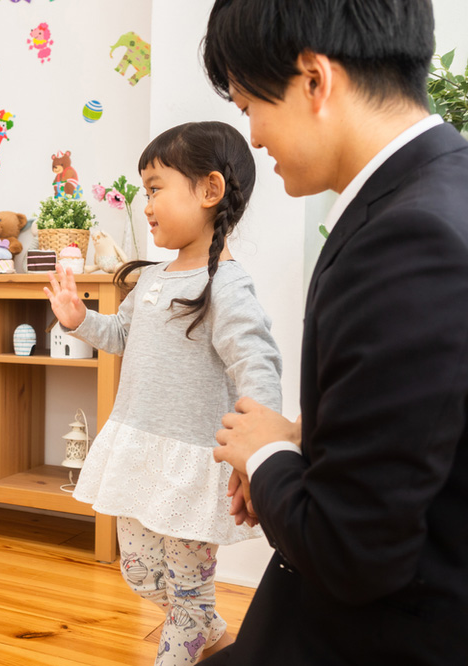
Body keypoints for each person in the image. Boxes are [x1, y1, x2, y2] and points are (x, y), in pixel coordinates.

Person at [200, 2, 468, 664]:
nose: (253, 137)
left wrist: (266, 458)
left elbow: (353, 551)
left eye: (249, 104)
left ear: (315, 81)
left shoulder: (410, 238)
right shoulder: (445, 186)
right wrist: (308, 440)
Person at [44, 121, 283, 666]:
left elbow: (257, 361)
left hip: (193, 464)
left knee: (188, 595)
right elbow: (124, 336)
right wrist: (82, 321)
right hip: (138, 449)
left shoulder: (225, 283)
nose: (145, 203)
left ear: (209, 190)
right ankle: (212, 634)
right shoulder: (151, 279)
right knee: (141, 574)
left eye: (155, 188)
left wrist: (261, 444)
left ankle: (192, 635)